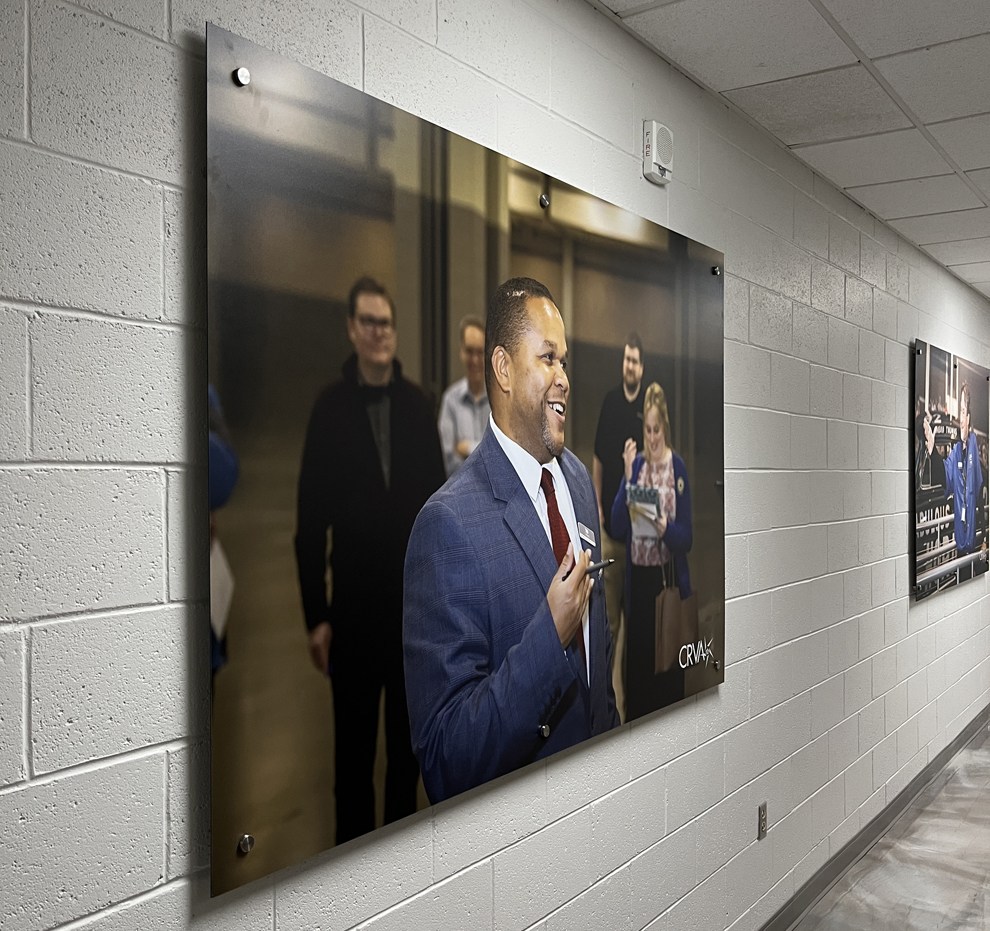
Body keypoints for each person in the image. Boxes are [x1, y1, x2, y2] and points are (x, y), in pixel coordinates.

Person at [403, 277, 620, 804]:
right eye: (548, 358)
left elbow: (598, 654)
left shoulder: (577, 484)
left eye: (564, 361)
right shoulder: (446, 527)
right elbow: (446, 758)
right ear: (502, 368)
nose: (564, 378)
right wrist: (551, 635)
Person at [294, 276, 445, 844]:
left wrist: (440, 609)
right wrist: (316, 616)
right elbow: (310, 523)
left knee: (407, 760)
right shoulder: (329, 411)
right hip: (352, 621)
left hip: (410, 622)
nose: (380, 332)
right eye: (369, 322)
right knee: (353, 765)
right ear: (352, 329)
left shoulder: (418, 408)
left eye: (386, 322)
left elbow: (438, 517)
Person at [610, 382, 692, 720]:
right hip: (639, 589)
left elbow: (686, 538)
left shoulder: (678, 468)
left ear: (665, 428)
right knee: (639, 683)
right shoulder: (638, 466)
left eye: (657, 430)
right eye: (648, 430)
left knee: (667, 683)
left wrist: (664, 528)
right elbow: (617, 526)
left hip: (666, 584)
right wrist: (628, 477)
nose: (653, 437)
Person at [592, 334, 645, 719]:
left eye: (635, 361)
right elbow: (597, 458)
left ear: (642, 367)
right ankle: (607, 709)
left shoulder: (648, 407)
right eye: (626, 359)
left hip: (640, 540)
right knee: (609, 627)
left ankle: (633, 707)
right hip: (610, 535)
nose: (630, 366)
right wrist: (597, 505)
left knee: (637, 629)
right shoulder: (611, 402)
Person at [923, 382, 986, 560]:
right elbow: (945, 476)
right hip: (961, 537)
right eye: (960, 412)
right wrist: (933, 452)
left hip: (975, 537)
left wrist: (984, 537)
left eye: (963, 412)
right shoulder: (957, 451)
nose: (961, 419)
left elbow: (977, 488)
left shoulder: (973, 447)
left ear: (969, 417)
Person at [438, 315, 490, 477]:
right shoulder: (450, 401)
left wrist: (466, 448)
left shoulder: (499, 400)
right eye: (469, 351)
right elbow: (447, 462)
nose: (475, 360)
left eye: (480, 352)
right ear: (461, 352)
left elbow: (505, 455)